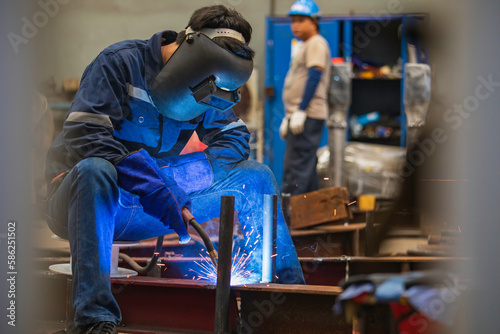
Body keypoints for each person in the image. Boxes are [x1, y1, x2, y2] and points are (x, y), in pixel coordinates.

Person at [44, 5, 305, 334]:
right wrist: (152, 183)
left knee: (256, 177)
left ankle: (286, 300)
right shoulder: (119, 62)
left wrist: (179, 177)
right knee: (97, 169)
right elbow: (85, 136)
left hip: (155, 208)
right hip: (85, 202)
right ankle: (96, 320)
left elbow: (235, 138)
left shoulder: (210, 83)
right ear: (188, 46)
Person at [280, 0, 331, 196]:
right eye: (293, 21)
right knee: (305, 168)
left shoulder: (316, 43)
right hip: (301, 114)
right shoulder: (305, 44)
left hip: (307, 114)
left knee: (296, 168)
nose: (295, 25)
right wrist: (290, 114)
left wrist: (301, 110)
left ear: (314, 22)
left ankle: (291, 217)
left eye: (301, 20)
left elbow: (315, 76)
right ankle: (308, 217)